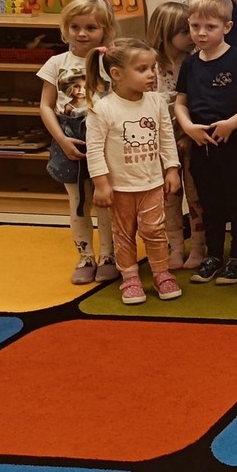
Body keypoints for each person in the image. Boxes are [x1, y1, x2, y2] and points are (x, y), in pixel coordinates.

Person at [173, 0, 237, 285]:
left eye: (210, 27)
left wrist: (232, 124)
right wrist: (188, 127)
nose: (201, 33)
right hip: (201, 143)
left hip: (234, 142)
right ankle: (213, 255)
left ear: (227, 27)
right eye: (195, 26)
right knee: (208, 202)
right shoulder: (190, 64)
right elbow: (181, 101)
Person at [85, 38, 182, 305]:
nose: (151, 74)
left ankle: (161, 273)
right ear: (117, 74)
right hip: (120, 188)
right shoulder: (103, 108)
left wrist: (172, 169)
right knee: (123, 234)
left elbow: (166, 137)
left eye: (152, 68)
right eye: (142, 69)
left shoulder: (156, 102)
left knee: (155, 230)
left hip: (152, 183)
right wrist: (101, 184)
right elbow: (94, 150)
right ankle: (129, 278)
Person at [40, 0, 118, 286]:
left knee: (106, 200)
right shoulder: (56, 63)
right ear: (66, 29)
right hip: (70, 137)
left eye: (91, 27)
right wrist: (61, 139)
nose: (82, 33)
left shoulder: (110, 62)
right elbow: (46, 106)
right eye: (75, 27)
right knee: (78, 203)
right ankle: (86, 256)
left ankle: (109, 256)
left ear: (105, 30)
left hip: (105, 138)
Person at [148, 1, 201, 270]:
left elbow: (199, 103)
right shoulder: (150, 66)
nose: (192, 36)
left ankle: (199, 247)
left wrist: (187, 135)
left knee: (196, 195)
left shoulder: (194, 63)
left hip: (190, 137)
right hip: (159, 143)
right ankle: (176, 247)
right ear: (165, 33)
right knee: (169, 197)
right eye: (185, 31)